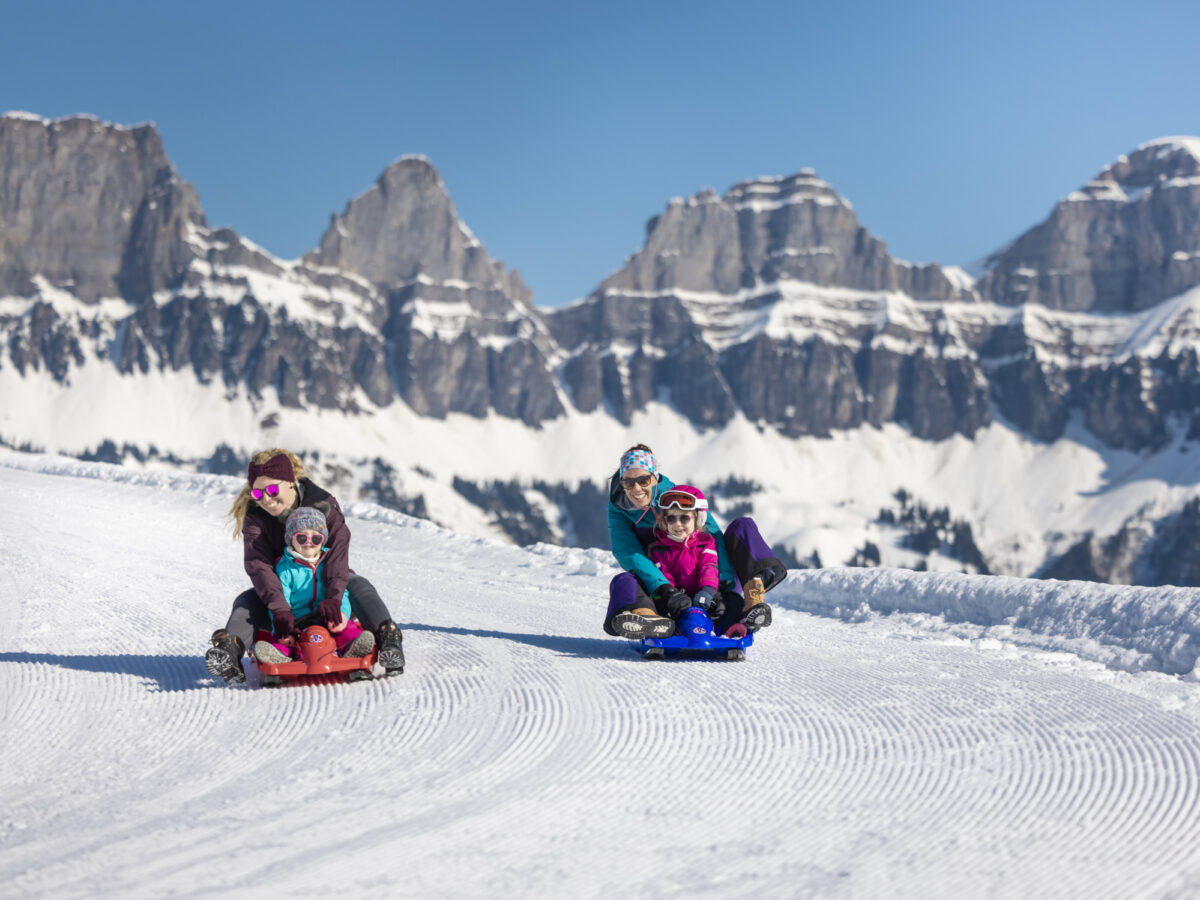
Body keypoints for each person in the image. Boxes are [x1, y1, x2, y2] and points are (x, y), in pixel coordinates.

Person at [205, 448, 405, 684]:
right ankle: (229, 650)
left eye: (271, 490)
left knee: (358, 585)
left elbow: (338, 556)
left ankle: (388, 639)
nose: (266, 499)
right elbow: (259, 566)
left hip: (326, 578)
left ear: (290, 483)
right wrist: (279, 608)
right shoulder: (256, 515)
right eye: (258, 493)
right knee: (248, 601)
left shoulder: (323, 504)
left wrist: (333, 597)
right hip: (284, 585)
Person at [603, 444, 788, 639]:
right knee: (624, 581)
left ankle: (753, 599)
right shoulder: (618, 511)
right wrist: (665, 590)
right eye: (629, 482)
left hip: (708, 578)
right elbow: (629, 553)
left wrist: (719, 586)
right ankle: (647, 619)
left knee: (743, 526)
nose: (637, 488)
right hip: (661, 581)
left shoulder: (679, 498)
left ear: (654, 477)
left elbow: (712, 536)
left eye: (643, 480)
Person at [251, 505, 376, 664]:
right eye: (302, 538)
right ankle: (278, 655)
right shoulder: (285, 569)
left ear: (322, 539)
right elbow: (279, 599)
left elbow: (340, 591)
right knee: (284, 639)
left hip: (325, 616)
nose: (309, 543)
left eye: (316, 538)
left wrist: (341, 613)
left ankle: (353, 647)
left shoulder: (329, 563)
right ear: (291, 539)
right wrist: (282, 625)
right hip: (296, 620)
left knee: (346, 629)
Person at [646, 484, 721, 622]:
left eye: (684, 518)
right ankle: (662, 626)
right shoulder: (660, 550)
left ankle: (731, 629)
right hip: (674, 602)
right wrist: (673, 596)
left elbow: (709, 568)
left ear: (698, 519)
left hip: (702, 598)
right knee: (659, 604)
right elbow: (665, 577)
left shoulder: (705, 545)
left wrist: (707, 590)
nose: (677, 524)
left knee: (724, 604)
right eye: (671, 519)